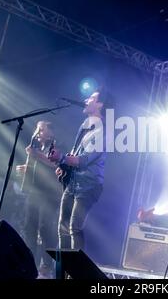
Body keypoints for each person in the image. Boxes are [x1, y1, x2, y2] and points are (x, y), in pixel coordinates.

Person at [48, 89, 113, 251]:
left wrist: (62, 158)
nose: (86, 100)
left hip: (88, 185)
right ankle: (61, 273)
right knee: (62, 228)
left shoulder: (103, 131)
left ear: (100, 104)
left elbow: (84, 160)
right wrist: (64, 166)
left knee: (74, 227)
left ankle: (75, 274)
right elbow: (76, 154)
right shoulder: (86, 126)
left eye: (91, 98)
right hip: (73, 182)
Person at [16, 120, 60, 278]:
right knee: (29, 226)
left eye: (41, 129)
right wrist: (26, 169)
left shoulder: (55, 144)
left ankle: (46, 266)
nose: (37, 132)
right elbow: (40, 168)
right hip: (35, 192)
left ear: (51, 132)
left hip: (49, 194)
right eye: (37, 129)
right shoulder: (39, 147)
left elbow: (54, 162)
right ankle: (29, 262)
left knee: (45, 228)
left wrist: (36, 155)